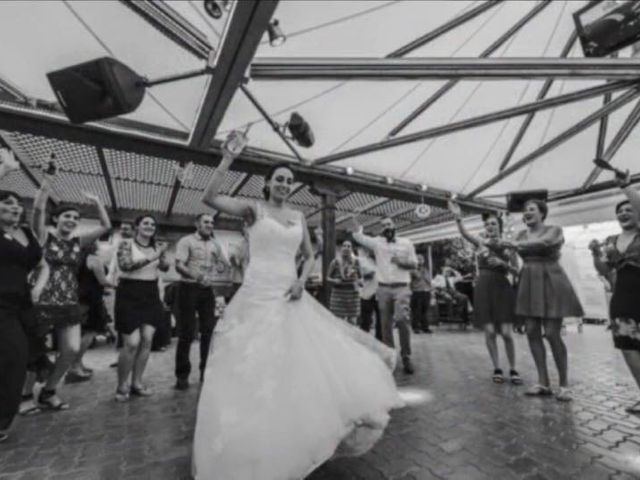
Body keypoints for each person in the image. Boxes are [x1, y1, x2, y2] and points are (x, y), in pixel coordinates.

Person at [192, 132, 401, 480]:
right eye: (279, 179)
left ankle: (292, 427)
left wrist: (302, 279)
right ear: (268, 183)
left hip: (289, 295)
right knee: (253, 365)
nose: (285, 185)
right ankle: (252, 438)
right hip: (257, 294)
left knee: (295, 362)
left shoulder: (298, 216)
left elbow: (309, 254)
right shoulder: (252, 210)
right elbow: (209, 197)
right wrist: (227, 159)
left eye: (289, 181)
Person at [32, 173, 111, 410]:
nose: (72, 220)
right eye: (67, 216)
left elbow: (106, 226)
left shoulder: (77, 242)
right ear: (56, 219)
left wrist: (97, 202)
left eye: (75, 217)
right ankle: (25, 396)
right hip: (42, 299)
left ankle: (49, 390)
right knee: (33, 350)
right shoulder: (44, 236)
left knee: (72, 349)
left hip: (68, 300)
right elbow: (37, 211)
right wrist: (46, 183)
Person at [499, 199, 583, 402]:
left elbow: (546, 243)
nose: (526, 213)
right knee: (532, 332)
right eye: (524, 210)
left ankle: (564, 385)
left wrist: (515, 244)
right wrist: (506, 254)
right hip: (528, 279)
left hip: (550, 278)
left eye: (531, 209)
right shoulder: (519, 235)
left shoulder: (554, 230)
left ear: (542, 213)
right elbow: (513, 260)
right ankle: (543, 382)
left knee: (553, 334)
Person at [449, 201, 521, 384]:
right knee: (489, 331)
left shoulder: (509, 245)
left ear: (500, 226)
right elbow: (464, 233)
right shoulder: (480, 242)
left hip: (502, 287)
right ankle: (497, 367)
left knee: (506, 332)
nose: (489, 226)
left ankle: (513, 368)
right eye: (487, 224)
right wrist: (458, 216)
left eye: (493, 224)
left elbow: (517, 271)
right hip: (483, 286)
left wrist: (504, 264)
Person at [0, 149, 42, 442]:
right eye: (6, 202)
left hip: (23, 305)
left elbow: (41, 263)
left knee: (26, 356)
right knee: (14, 357)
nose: (14, 207)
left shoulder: (26, 232)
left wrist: (37, 286)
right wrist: (5, 170)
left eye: (17, 204)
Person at [589, 171, 640, 413]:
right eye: (620, 211)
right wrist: (594, 254)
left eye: (629, 209)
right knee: (628, 347)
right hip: (623, 298)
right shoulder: (611, 240)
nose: (623, 213)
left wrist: (627, 187)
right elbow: (603, 269)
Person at [351, 216, 419, 374]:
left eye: (389, 224)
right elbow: (358, 237)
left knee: (402, 319)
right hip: (383, 288)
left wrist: (402, 262)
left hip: (402, 287)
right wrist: (355, 223)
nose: (386, 227)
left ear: (394, 225)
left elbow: (415, 264)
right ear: (381, 229)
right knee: (385, 324)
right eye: (383, 226)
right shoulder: (377, 243)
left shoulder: (407, 243)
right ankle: (390, 357)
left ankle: (406, 356)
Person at [114, 215, 169, 402]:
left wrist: (163, 258)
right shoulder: (125, 244)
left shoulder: (156, 246)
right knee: (131, 343)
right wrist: (154, 255)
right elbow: (126, 265)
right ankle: (122, 385)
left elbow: (165, 268)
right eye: (145, 223)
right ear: (137, 226)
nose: (150, 226)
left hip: (150, 293)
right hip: (129, 293)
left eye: (153, 224)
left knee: (147, 340)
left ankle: (137, 383)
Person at [174, 213, 228, 390]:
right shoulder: (186, 241)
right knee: (187, 334)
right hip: (188, 288)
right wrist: (197, 276)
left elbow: (221, 265)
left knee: (208, 332)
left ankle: (206, 372)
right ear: (197, 224)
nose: (209, 225)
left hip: (207, 291)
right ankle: (182, 376)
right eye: (206, 222)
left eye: (212, 222)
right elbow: (179, 266)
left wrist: (220, 266)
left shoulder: (215, 244)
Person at [67, 240, 114, 382]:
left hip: (79, 299)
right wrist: (120, 285)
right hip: (92, 301)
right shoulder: (93, 259)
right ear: (94, 246)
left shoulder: (77, 259)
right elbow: (103, 281)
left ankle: (78, 364)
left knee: (80, 333)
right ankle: (74, 366)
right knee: (90, 332)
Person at [327, 240, 362, 324]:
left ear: (351, 249)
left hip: (352, 295)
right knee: (337, 322)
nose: (346, 248)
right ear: (341, 248)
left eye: (349, 246)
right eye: (344, 245)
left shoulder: (356, 262)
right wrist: (334, 280)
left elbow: (361, 278)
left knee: (352, 322)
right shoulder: (335, 262)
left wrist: (357, 280)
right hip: (338, 295)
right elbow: (327, 277)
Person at [358, 247, 381, 340]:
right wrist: (366, 275)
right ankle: (364, 342)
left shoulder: (382, 262)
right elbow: (358, 275)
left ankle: (379, 340)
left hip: (380, 294)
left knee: (380, 320)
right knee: (365, 320)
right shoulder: (362, 261)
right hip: (367, 294)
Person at [410, 254, 433, 334]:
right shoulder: (412, 269)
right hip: (417, 291)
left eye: (421, 259)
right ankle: (416, 327)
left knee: (425, 310)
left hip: (426, 291)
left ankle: (425, 327)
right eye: (418, 259)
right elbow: (418, 276)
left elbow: (428, 279)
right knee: (416, 310)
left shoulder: (425, 269)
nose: (420, 261)